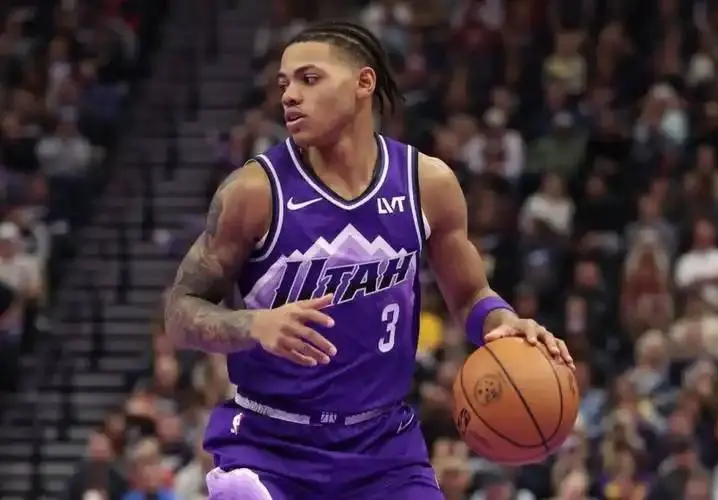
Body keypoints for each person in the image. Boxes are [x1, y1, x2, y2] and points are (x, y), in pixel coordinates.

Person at [164, 20, 574, 500]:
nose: (290, 95)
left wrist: (502, 323)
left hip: (383, 447)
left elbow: (470, 295)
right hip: (269, 444)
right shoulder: (254, 192)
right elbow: (180, 312)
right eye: (284, 83)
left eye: (309, 79)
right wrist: (253, 325)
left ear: (363, 83)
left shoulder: (427, 184)